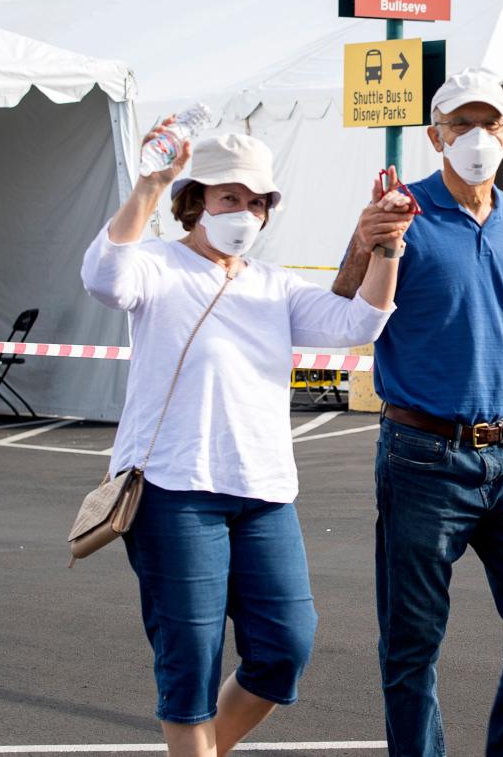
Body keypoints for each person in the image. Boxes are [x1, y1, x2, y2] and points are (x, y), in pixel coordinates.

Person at [81, 124, 412, 757]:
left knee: (285, 646)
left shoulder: (273, 283)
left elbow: (357, 322)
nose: (245, 212)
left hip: (262, 493)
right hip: (173, 493)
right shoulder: (156, 263)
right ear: (194, 201)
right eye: (229, 198)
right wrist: (150, 183)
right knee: (191, 662)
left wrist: (387, 249)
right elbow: (104, 277)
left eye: (256, 201)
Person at [333, 69, 503, 757]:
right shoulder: (404, 210)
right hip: (423, 455)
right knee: (411, 645)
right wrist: (363, 239)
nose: (474, 137)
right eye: (458, 124)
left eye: (486, 124)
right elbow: (347, 311)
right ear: (434, 135)